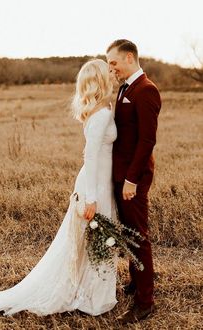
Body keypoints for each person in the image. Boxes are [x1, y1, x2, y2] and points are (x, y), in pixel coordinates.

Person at [0, 59, 118, 317]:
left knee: (93, 241)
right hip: (93, 185)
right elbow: (90, 156)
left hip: (100, 182)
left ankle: (93, 290)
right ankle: (91, 297)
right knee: (93, 240)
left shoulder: (103, 108)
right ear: (101, 79)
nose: (113, 74)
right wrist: (91, 198)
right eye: (109, 72)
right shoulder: (101, 114)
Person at [106, 39, 161, 324]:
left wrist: (130, 180)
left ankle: (145, 301)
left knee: (138, 236)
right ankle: (135, 282)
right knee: (128, 233)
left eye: (113, 62)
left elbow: (147, 140)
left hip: (132, 178)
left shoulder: (146, 90)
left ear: (129, 57)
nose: (111, 68)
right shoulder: (125, 87)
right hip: (119, 173)